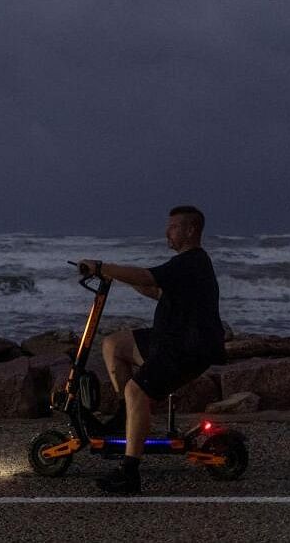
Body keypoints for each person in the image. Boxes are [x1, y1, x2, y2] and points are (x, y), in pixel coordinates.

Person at [76, 205, 226, 494]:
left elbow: (148, 277)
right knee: (113, 344)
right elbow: (156, 289)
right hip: (168, 339)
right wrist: (119, 276)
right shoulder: (187, 266)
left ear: (191, 230)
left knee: (136, 390)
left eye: (173, 227)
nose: (167, 232)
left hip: (186, 350)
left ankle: (130, 473)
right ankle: (125, 420)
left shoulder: (191, 262)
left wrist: (102, 266)